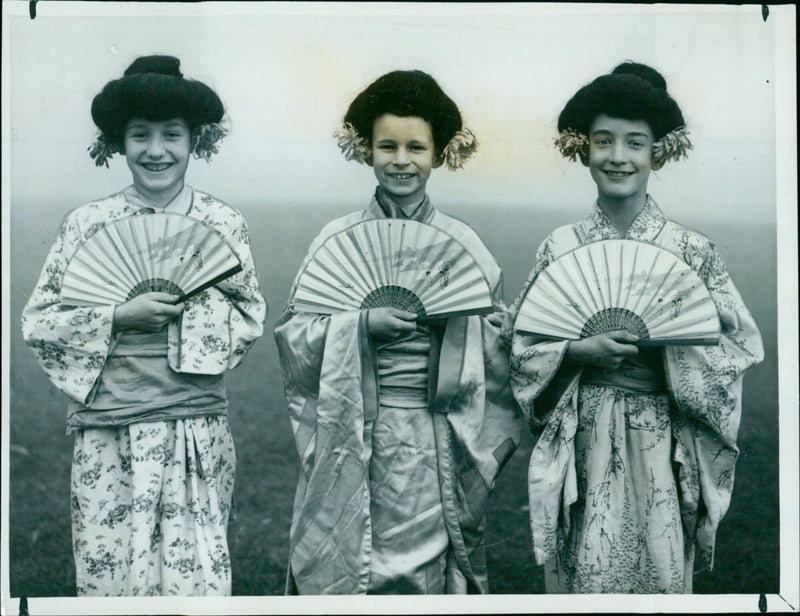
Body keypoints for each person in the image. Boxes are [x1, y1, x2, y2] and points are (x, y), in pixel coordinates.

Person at [507, 62, 764, 593]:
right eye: (603, 141)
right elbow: (522, 347)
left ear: (658, 153)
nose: (617, 157)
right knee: (584, 570)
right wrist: (576, 352)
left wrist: (669, 352)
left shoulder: (693, 252)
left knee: (660, 572)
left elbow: (736, 348)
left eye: (635, 143)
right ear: (583, 148)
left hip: (662, 441)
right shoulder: (560, 248)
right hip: (584, 432)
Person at [21, 55, 267, 596]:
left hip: (193, 427)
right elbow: (41, 322)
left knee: (193, 572)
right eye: (140, 135)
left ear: (196, 140)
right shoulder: (88, 224)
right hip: (108, 429)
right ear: (117, 142)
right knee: (110, 565)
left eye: (172, 135)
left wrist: (180, 314)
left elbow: (248, 316)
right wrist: (116, 316)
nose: (156, 151)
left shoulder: (221, 223)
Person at [274, 69, 522, 594]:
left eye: (416, 147)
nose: (401, 160)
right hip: (352, 425)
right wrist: (360, 325)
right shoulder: (334, 240)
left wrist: (462, 326)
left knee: (421, 573)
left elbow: (500, 346)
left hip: (434, 434)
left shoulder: (464, 244)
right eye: (387, 146)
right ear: (367, 150)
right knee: (345, 563)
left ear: (438, 153)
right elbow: (294, 337)